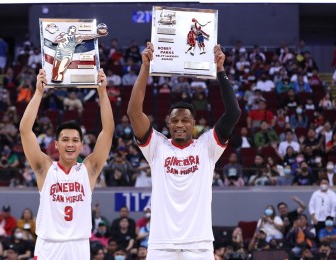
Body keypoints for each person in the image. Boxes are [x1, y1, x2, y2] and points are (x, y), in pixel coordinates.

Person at [127, 42, 240, 259]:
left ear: (194, 124)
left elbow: (233, 113)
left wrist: (220, 71)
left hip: (199, 244)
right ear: (168, 124)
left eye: (185, 120)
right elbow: (134, 112)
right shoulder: (157, 146)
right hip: (161, 243)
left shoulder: (207, 146)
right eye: (175, 120)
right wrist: (145, 68)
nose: (180, 124)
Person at [19, 68, 114, 259]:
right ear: (56, 144)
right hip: (49, 246)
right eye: (65, 140)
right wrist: (38, 93)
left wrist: (102, 94)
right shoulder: (45, 168)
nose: (70, 144)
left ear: (81, 145)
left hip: (78, 246)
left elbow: (108, 131)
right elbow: (25, 130)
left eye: (74, 140)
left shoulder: (89, 169)